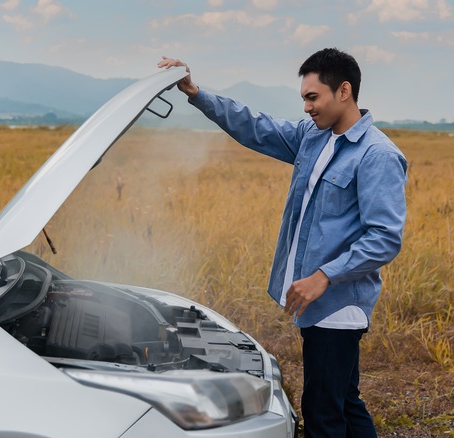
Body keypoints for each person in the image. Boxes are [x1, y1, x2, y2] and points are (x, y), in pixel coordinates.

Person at [159, 48, 407, 438]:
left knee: (323, 412)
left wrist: (323, 276)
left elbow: (384, 238)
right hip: (316, 303)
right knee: (344, 401)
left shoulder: (377, 155)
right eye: (304, 98)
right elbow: (254, 127)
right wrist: (195, 92)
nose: (307, 107)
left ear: (344, 92)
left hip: (337, 307)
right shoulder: (313, 138)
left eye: (313, 97)